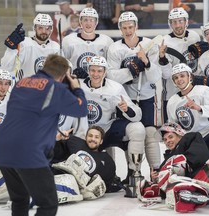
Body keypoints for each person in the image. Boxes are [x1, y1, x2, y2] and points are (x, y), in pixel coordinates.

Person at [0, 54, 88, 216]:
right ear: (63, 75)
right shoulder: (55, 88)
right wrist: (76, 87)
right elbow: (81, 109)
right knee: (48, 204)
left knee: (20, 200)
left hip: (2, 147)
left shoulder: (21, 83)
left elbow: (26, 114)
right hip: (27, 151)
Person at [107, 11, 162, 183]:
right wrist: (131, 70)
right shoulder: (115, 48)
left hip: (146, 97)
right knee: (131, 136)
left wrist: (146, 63)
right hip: (125, 99)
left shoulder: (148, 45)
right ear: (120, 29)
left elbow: (155, 76)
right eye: (124, 28)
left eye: (131, 27)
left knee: (150, 134)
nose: (128, 30)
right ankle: (133, 173)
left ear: (136, 27)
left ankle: (156, 174)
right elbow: (111, 77)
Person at [79, 55, 146, 189]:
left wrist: (127, 109)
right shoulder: (79, 86)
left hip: (108, 129)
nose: (96, 74)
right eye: (92, 70)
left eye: (99, 71)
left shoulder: (114, 88)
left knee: (137, 128)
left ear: (105, 72)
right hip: (85, 132)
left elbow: (137, 114)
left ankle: (134, 173)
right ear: (88, 70)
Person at [158, 7, 200, 124]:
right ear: (170, 24)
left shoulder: (194, 37)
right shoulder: (165, 41)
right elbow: (166, 74)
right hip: (172, 94)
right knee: (170, 130)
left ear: (187, 22)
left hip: (193, 92)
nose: (177, 25)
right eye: (174, 22)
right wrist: (162, 57)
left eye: (180, 21)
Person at [52, 125, 120, 193]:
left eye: (96, 137)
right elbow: (54, 154)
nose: (93, 139)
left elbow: (105, 186)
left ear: (101, 141)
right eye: (90, 136)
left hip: (77, 188)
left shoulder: (107, 162)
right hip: (59, 177)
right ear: (86, 137)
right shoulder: (75, 142)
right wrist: (57, 139)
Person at [1, 13, 60, 81]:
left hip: (47, 90)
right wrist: (11, 49)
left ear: (51, 29)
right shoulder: (23, 44)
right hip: (24, 90)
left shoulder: (56, 47)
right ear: (34, 28)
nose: (44, 31)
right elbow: (6, 68)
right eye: (40, 27)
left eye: (47, 28)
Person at [62, 7, 114, 80]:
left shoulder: (106, 41)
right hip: (76, 84)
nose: (88, 23)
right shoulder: (68, 40)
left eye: (91, 20)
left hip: (98, 86)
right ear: (80, 22)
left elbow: (110, 68)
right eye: (85, 20)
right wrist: (71, 72)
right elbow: (63, 66)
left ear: (96, 22)